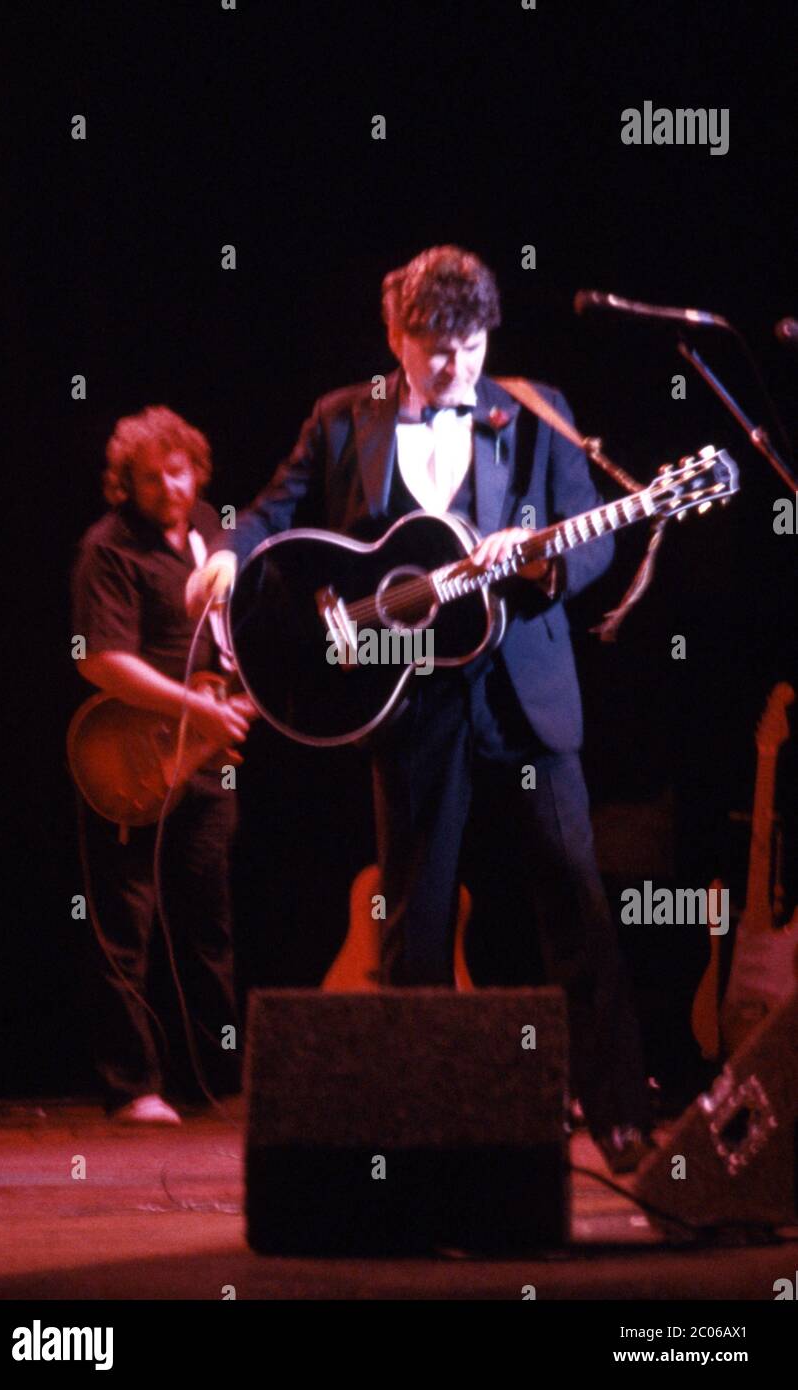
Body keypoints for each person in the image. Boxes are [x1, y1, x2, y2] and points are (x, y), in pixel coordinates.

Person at [189, 247, 653, 1171]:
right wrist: (231, 552)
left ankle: (619, 1113)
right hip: (406, 692)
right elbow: (272, 509)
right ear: (395, 337)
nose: (458, 365)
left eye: (473, 344)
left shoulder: (536, 407)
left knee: (577, 897)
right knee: (415, 916)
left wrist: (550, 563)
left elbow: (592, 530)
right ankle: (420, 1130)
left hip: (524, 685)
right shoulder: (340, 419)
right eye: (437, 347)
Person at [71, 405, 255, 1123]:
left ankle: (213, 1082)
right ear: (126, 484)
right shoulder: (108, 548)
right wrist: (194, 706)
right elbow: (100, 661)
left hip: (205, 761)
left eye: (177, 472)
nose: (169, 488)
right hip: (130, 758)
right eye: (150, 479)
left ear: (196, 469)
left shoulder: (212, 532)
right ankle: (133, 1087)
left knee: (208, 929)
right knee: (124, 928)